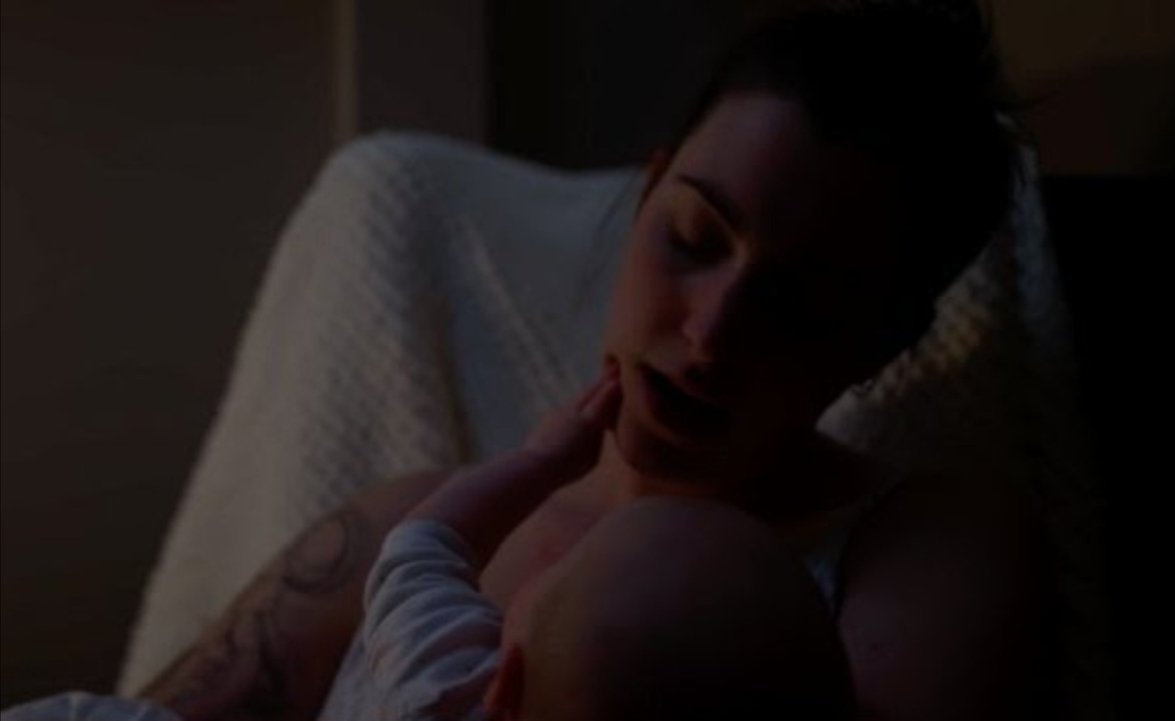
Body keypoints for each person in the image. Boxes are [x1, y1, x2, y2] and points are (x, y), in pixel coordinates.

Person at [138, 4, 1053, 720]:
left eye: (798, 304)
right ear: (648, 193)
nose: (712, 331)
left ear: (884, 341)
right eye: (693, 237)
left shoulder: (922, 556)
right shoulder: (411, 528)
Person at [319, 367, 857, 720]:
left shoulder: (442, 694)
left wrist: (539, 463)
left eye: (561, 572)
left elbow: (422, 546)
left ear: (504, 684)